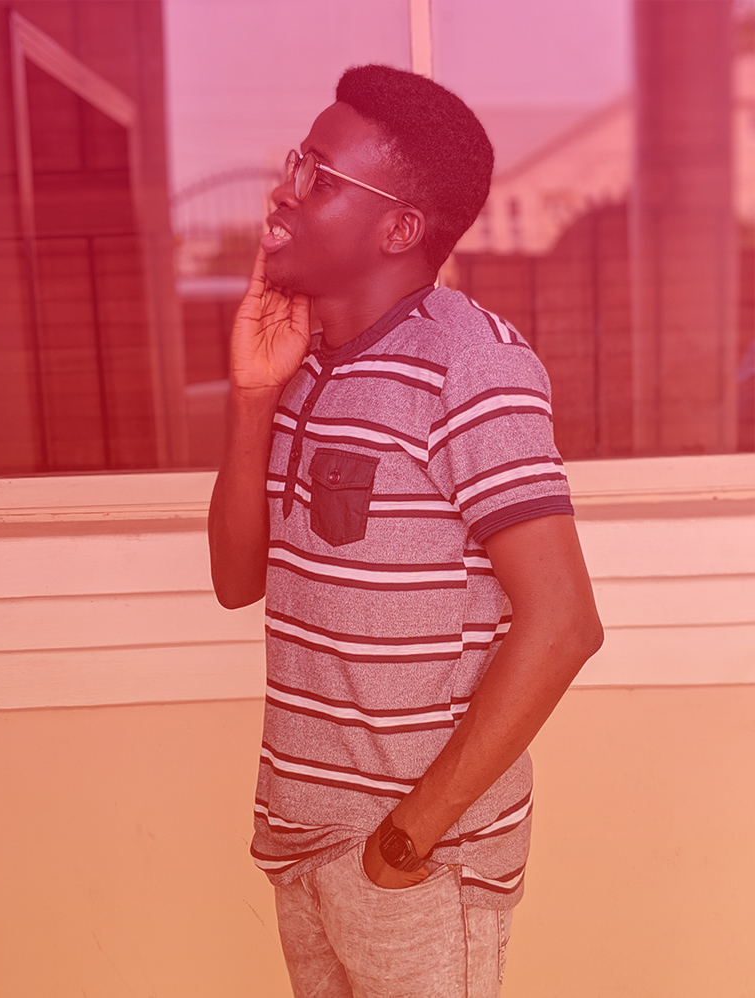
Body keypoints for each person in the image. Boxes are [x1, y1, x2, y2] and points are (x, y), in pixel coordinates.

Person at [208, 64, 603, 998]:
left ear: (399, 229)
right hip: (300, 840)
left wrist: (405, 840)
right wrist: (254, 397)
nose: (284, 191)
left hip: (415, 865)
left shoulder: (472, 366)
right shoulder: (303, 363)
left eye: (320, 176)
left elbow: (564, 625)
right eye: (296, 162)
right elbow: (237, 579)